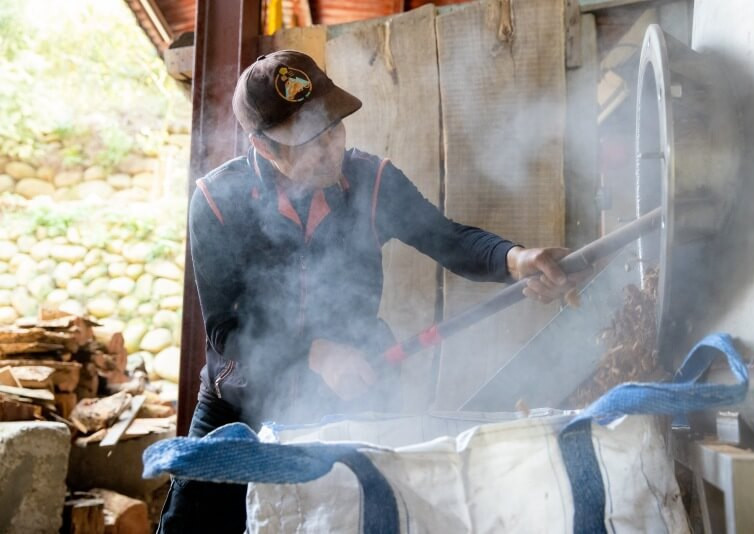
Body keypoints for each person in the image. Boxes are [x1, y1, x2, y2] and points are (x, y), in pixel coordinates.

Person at [158, 50, 584, 533]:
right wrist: (315, 353)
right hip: (240, 406)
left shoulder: (370, 181)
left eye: (334, 129)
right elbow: (223, 334)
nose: (329, 150)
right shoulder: (217, 203)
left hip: (353, 392)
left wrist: (517, 260)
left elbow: (449, 238)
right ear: (264, 146)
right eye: (307, 140)